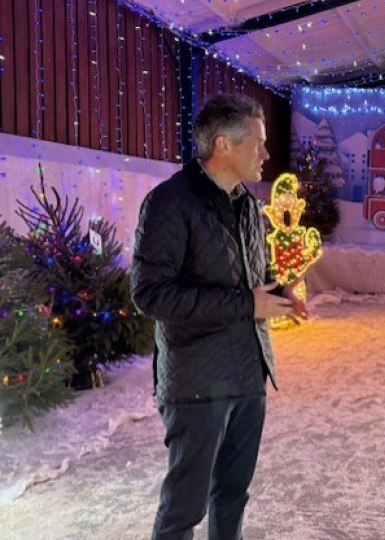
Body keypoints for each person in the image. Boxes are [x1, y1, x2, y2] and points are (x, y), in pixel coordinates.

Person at [131, 93, 306, 540]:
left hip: (248, 376)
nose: (267, 154)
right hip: (196, 384)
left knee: (232, 496)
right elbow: (150, 295)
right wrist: (248, 304)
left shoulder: (247, 203)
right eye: (258, 143)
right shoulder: (169, 203)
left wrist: (281, 292)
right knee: (183, 512)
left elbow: (254, 274)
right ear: (224, 146)